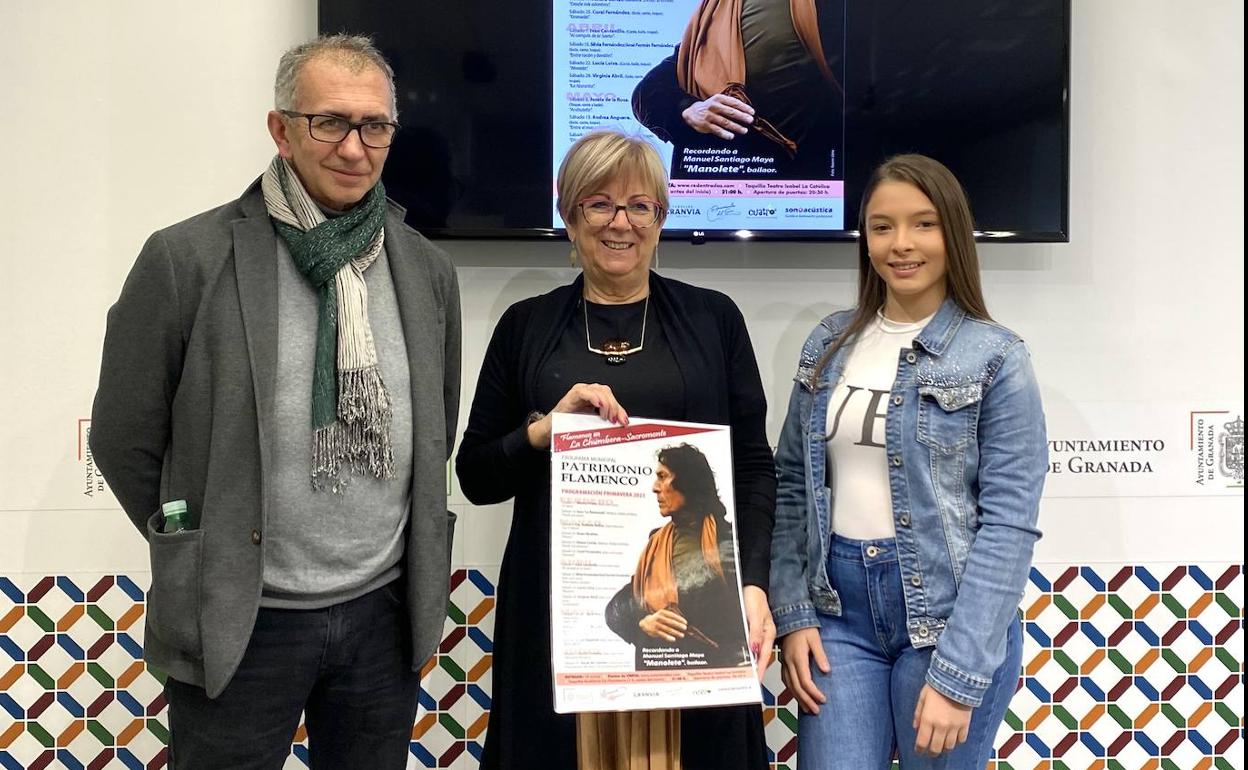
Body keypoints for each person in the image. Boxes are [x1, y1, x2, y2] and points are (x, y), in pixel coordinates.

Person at [89, 34, 461, 769]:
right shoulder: (187, 258)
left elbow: (435, 428)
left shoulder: (426, 269)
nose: (355, 148)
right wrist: (199, 548)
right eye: (330, 122)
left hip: (383, 616)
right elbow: (123, 436)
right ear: (281, 129)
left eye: (374, 126)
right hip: (242, 618)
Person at [456, 128, 775, 770]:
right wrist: (542, 431)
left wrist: (755, 585)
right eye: (599, 204)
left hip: (699, 604)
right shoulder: (525, 325)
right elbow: (476, 476)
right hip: (560, 612)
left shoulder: (715, 319)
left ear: (662, 216)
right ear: (570, 215)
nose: (620, 223)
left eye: (639, 205)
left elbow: (753, 467)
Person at [769, 154, 1047, 768]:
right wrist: (792, 613)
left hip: (946, 621)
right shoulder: (829, 342)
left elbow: (1009, 525)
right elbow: (793, 484)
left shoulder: (997, 357)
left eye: (923, 224)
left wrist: (961, 674)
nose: (901, 244)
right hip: (837, 618)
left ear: (953, 232)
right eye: (881, 226)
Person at [632, 0, 845, 180]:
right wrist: (689, 109)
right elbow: (646, 94)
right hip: (715, 186)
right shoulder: (720, 13)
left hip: (805, 185)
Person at [606, 444, 752, 671]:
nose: (655, 487)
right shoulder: (657, 544)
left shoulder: (728, 541)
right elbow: (617, 608)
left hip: (716, 678)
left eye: (662, 477)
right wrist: (642, 623)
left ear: (688, 482)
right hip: (660, 680)